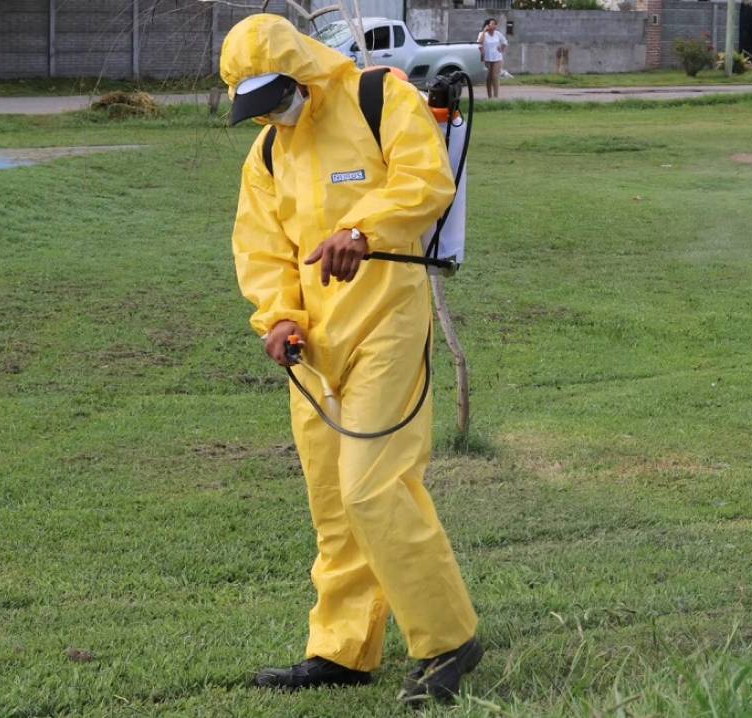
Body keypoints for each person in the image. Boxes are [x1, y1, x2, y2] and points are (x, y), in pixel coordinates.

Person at [219, 13, 482, 707]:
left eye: (279, 95)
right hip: (314, 343)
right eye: (259, 105)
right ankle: (341, 650)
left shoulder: (377, 98)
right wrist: (277, 318)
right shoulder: (268, 155)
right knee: (334, 503)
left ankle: (447, 639)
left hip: (386, 321)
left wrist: (361, 228)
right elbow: (261, 248)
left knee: (374, 485)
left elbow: (426, 182)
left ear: (304, 67)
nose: (273, 113)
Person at [477, 18, 508, 99]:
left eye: (495, 24)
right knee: (488, 77)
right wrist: (484, 31)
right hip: (487, 58)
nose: (494, 26)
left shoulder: (498, 34)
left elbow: (505, 42)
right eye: (492, 24)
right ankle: (489, 96)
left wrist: (501, 48)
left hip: (497, 58)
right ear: (487, 25)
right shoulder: (482, 34)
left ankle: (496, 96)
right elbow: (479, 43)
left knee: (495, 76)